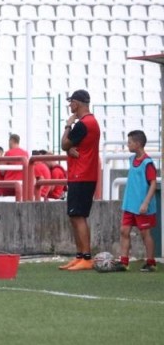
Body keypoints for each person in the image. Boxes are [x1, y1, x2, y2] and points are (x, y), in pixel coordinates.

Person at [58, 89, 101, 271]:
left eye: (71, 102)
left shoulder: (83, 124)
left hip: (81, 175)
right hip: (84, 174)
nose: (70, 105)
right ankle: (79, 256)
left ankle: (86, 257)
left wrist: (68, 125)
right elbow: (73, 146)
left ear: (77, 103)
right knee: (75, 216)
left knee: (78, 216)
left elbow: (64, 144)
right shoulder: (91, 122)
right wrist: (70, 150)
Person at [117, 130, 158, 273]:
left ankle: (151, 263)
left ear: (138, 144)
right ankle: (124, 262)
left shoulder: (148, 163)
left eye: (129, 142)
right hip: (130, 204)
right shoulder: (131, 159)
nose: (127, 145)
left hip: (142, 206)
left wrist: (146, 203)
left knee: (145, 233)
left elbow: (153, 184)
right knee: (124, 231)